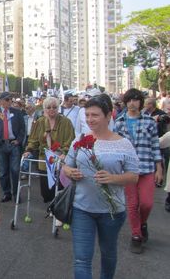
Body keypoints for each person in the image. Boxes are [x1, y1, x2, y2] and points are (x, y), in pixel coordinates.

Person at [62, 94, 139, 279]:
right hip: (82, 208)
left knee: (108, 255)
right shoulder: (79, 140)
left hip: (112, 211)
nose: (89, 119)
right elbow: (66, 165)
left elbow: (134, 176)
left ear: (108, 115)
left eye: (94, 115)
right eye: (87, 115)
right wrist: (69, 172)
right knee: (81, 260)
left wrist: (112, 178)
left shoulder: (123, 144)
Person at [114, 88, 163, 254]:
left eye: (136, 100)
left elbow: (155, 146)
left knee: (146, 203)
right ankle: (136, 235)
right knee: (132, 204)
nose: (132, 103)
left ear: (140, 103)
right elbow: (116, 147)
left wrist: (159, 168)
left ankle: (143, 223)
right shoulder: (119, 122)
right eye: (129, 100)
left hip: (147, 167)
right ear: (126, 102)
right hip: (128, 171)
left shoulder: (149, 122)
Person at [23, 97, 75, 203]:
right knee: (46, 189)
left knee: (59, 187)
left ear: (58, 108)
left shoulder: (66, 122)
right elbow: (33, 139)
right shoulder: (40, 121)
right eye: (49, 107)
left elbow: (70, 140)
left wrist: (64, 152)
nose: (52, 109)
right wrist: (28, 150)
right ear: (44, 109)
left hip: (60, 159)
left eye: (55, 107)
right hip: (43, 158)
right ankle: (51, 204)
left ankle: (57, 208)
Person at [0, 91, 25, 202]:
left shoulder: (17, 112)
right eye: (8, 100)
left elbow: (22, 129)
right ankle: (6, 193)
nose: (10, 102)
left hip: (13, 144)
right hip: (1, 145)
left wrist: (18, 141)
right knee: (3, 171)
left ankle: (16, 194)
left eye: (11, 100)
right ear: (1, 101)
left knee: (15, 170)